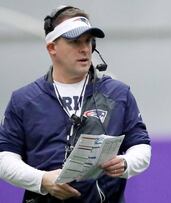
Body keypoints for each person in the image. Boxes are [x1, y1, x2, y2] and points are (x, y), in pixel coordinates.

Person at [0, 5, 151, 203]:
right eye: (75, 41)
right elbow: (5, 158)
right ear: (52, 47)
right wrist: (43, 180)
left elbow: (141, 146)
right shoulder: (24, 100)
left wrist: (125, 163)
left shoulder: (118, 93)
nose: (85, 48)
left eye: (88, 41)